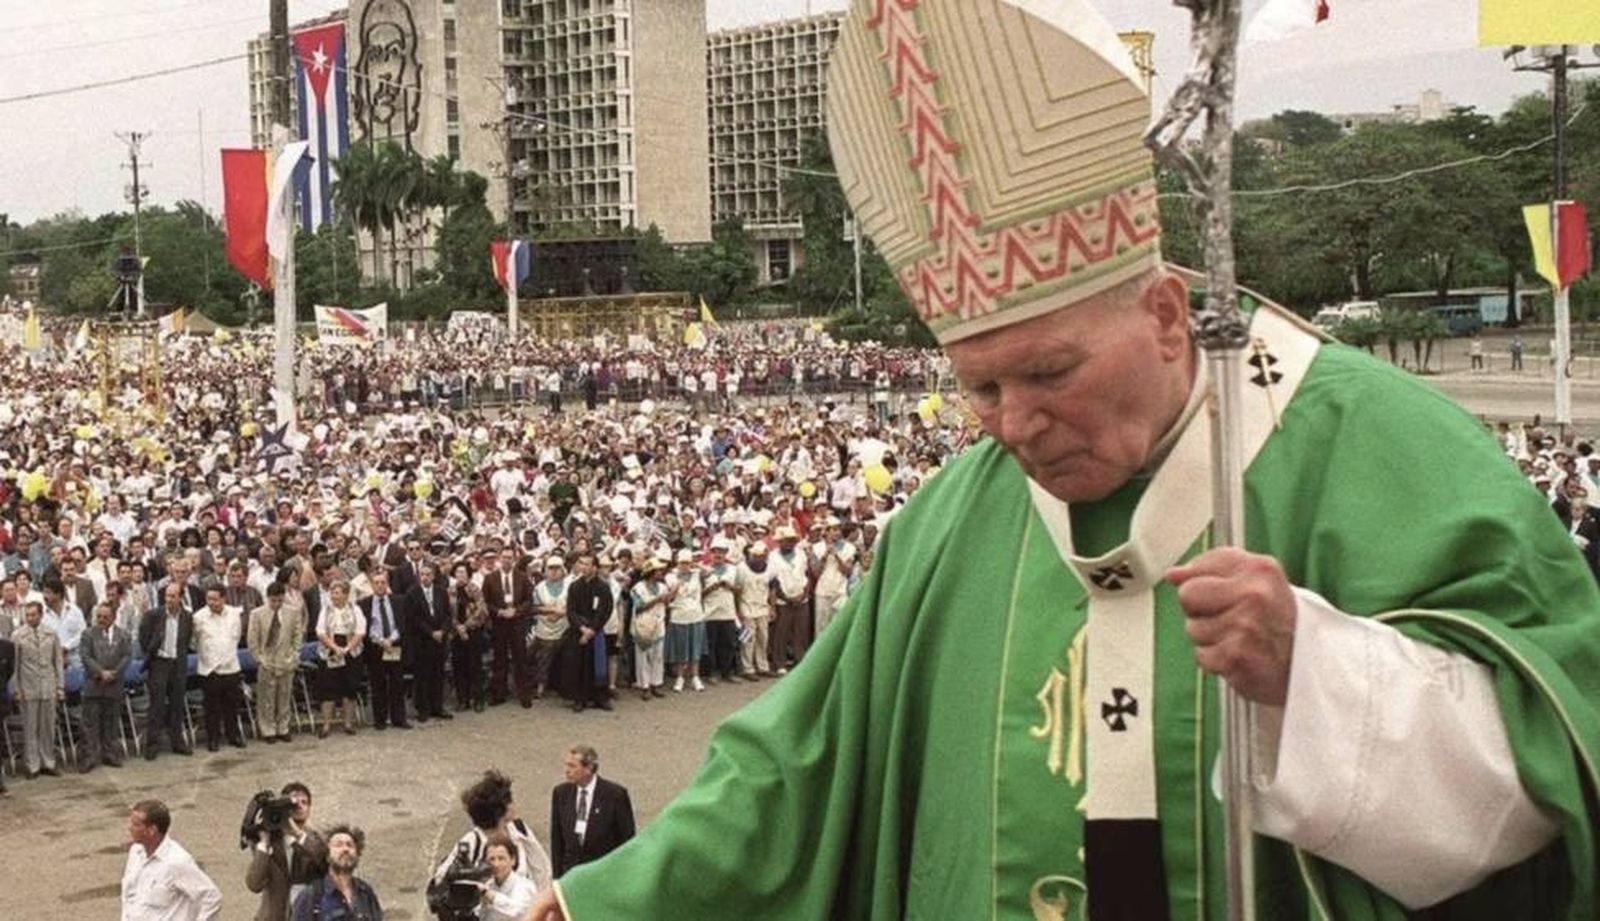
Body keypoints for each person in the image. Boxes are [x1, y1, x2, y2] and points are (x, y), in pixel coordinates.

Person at [527, 3, 1600, 919]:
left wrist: (1317, 677)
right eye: (981, 386)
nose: (1015, 425)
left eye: (1048, 373)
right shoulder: (951, 522)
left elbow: (1554, 748)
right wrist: (599, 903)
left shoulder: (1378, 447)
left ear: (1166, 315)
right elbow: (792, 768)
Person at [434, 770, 553, 893]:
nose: (514, 804)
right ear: (500, 810)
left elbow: (541, 867)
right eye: (509, 801)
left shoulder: (518, 829)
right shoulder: (472, 842)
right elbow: (440, 879)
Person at [122, 799, 222, 921]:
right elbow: (129, 897)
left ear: (152, 830)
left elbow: (211, 897)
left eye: (136, 825)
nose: (130, 828)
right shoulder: (136, 852)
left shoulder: (177, 862)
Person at [547, 745, 634, 879]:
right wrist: (557, 879)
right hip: (571, 875)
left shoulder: (615, 795)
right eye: (567, 765)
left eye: (572, 766)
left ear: (589, 768)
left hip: (603, 874)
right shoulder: (561, 793)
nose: (567, 771)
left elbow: (627, 840)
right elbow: (557, 841)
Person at [245, 782, 328, 921]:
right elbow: (254, 884)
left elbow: (325, 865)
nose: (299, 806)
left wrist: (298, 834)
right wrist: (264, 842)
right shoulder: (270, 843)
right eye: (293, 803)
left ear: (309, 809)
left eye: (304, 802)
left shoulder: (318, 840)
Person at [138, 582, 195, 759]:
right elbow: (144, 638)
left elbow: (186, 640)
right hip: (159, 664)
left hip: (178, 664)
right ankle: (152, 744)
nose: (169, 599)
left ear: (180, 598)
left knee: (177, 704)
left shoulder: (187, 617)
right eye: (167, 596)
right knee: (157, 705)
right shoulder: (153, 615)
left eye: (173, 596)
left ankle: (177, 742)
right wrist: (153, 654)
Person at [249, 581, 308, 744]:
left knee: (284, 696)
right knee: (266, 698)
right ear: (268, 598)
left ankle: (283, 727)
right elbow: (252, 640)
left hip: (286, 659)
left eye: (279, 600)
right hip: (266, 660)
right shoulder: (257, 614)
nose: (276, 604)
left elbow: (297, 636)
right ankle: (267, 729)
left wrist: (294, 655)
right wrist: (260, 659)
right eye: (273, 600)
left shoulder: (292, 612)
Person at [79, 600, 132, 770]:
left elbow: (127, 656)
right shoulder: (88, 634)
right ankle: (89, 757)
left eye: (105, 617)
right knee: (90, 725)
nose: (101, 619)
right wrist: (101, 672)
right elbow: (85, 656)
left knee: (111, 722)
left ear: (114, 617)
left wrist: (114, 673)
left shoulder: (124, 635)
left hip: (114, 685)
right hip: (93, 685)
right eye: (99, 616)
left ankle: (110, 754)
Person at [291, 824, 383, 921]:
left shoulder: (366, 893)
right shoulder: (311, 896)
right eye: (338, 845)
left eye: (350, 845)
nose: (346, 849)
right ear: (327, 856)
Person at [13, 600, 63, 777]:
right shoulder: (18, 636)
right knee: (30, 727)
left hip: (48, 685)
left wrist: (60, 686)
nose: (30, 618)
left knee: (48, 727)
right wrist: (17, 689)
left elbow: (57, 661)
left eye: (33, 615)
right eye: (27, 615)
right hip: (28, 686)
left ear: (41, 615)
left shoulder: (51, 634)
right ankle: (32, 764)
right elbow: (15, 666)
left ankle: (48, 762)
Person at [193, 585, 247, 751]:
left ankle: (233, 735)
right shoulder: (198, 617)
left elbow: (236, 636)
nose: (212, 602)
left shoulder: (234, 614)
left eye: (215, 599)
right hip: (209, 668)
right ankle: (213, 739)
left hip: (231, 667)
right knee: (212, 708)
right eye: (209, 599)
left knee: (232, 705)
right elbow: (194, 642)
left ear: (223, 599)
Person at [359, 570, 411, 730]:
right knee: (378, 683)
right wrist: (381, 641)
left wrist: (391, 639)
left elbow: (402, 623)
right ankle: (380, 719)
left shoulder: (399, 601)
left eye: (383, 582)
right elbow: (365, 627)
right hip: (375, 648)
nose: (380, 586)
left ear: (387, 584)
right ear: (372, 585)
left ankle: (399, 718)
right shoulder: (364, 604)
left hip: (394, 645)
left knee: (397, 682)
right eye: (377, 583)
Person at [482, 548, 534, 707]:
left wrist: (516, 611)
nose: (507, 560)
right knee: (500, 659)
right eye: (504, 557)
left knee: (520, 659)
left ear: (514, 559)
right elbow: (485, 602)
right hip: (499, 624)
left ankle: (524, 694)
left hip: (517, 624)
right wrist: (499, 611)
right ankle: (499, 694)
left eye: (510, 558)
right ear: (500, 558)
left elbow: (529, 600)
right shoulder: (490, 578)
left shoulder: (522, 577)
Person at [314, 579, 365, 737]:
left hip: (351, 650)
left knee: (349, 688)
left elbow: (360, 631)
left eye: (337, 593)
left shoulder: (355, 609)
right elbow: (320, 632)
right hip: (329, 649)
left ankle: (348, 723)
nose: (333, 596)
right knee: (328, 688)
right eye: (332, 593)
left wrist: (347, 648)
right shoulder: (326, 610)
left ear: (345, 595)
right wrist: (335, 648)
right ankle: (326, 725)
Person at [563, 553, 613, 712]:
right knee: (578, 665)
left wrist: (592, 630)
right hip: (578, 631)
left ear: (595, 567)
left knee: (598, 665)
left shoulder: (603, 587)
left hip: (596, 631)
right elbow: (570, 611)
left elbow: (605, 610)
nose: (583, 567)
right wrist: (582, 628)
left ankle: (600, 698)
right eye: (581, 563)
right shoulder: (574, 586)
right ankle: (579, 698)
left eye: (586, 564)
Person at [408, 561, 454, 722]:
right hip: (422, 640)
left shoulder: (441, 591)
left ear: (433, 576)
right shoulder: (413, 593)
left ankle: (437, 706)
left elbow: (448, 614)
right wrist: (431, 632)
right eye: (422, 575)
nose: (425, 577)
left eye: (428, 574)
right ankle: (423, 708)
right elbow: (414, 618)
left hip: (440, 640)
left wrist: (443, 631)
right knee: (422, 676)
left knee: (438, 674)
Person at [450, 561, 489, 712]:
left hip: (473, 632)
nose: (460, 575)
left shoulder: (475, 589)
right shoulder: (450, 591)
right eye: (458, 572)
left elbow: (482, 611)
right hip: (456, 633)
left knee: (475, 666)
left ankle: (478, 699)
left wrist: (466, 626)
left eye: (463, 572)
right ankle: (462, 700)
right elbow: (447, 612)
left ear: (468, 574)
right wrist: (458, 627)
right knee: (459, 667)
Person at [477, 833, 539, 921]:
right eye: (492, 859)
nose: (496, 864)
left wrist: (492, 897)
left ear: (513, 860)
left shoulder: (525, 887)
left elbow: (518, 912)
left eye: (501, 858)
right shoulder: (488, 886)